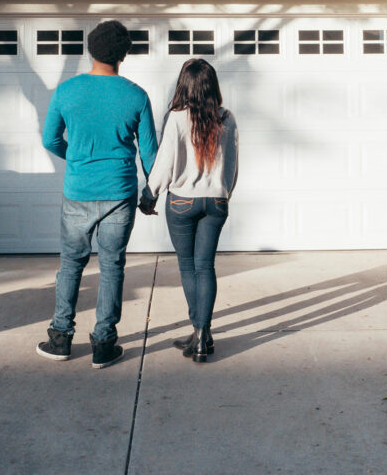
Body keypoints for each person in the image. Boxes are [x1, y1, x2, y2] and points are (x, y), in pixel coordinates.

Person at [37, 20, 158, 369]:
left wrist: (75, 157)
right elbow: (150, 155)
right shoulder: (136, 95)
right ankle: (104, 344)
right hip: (119, 192)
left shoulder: (67, 91)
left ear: (90, 50)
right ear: (124, 53)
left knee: (71, 264)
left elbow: (49, 140)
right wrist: (151, 193)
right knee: (112, 266)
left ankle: (60, 338)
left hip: (78, 191)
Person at [139, 58, 238, 363]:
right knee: (205, 267)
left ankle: (198, 333)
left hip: (182, 201)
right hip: (216, 202)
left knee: (187, 267)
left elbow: (165, 161)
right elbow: (232, 165)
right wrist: (224, 194)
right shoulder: (227, 117)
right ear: (212, 85)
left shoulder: (178, 117)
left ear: (184, 85)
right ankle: (202, 335)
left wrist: (149, 194)